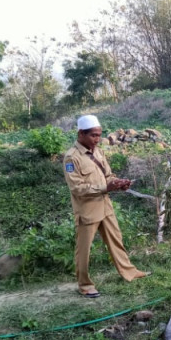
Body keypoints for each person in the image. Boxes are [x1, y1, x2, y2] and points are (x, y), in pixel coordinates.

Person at [63, 115, 148, 298]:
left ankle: (130, 272)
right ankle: (85, 285)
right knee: (84, 249)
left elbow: (107, 175)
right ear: (81, 134)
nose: (97, 139)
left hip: (105, 206)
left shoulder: (98, 152)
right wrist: (105, 187)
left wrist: (118, 183)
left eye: (99, 135)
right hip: (87, 211)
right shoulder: (71, 158)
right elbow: (76, 188)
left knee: (116, 240)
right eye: (93, 135)